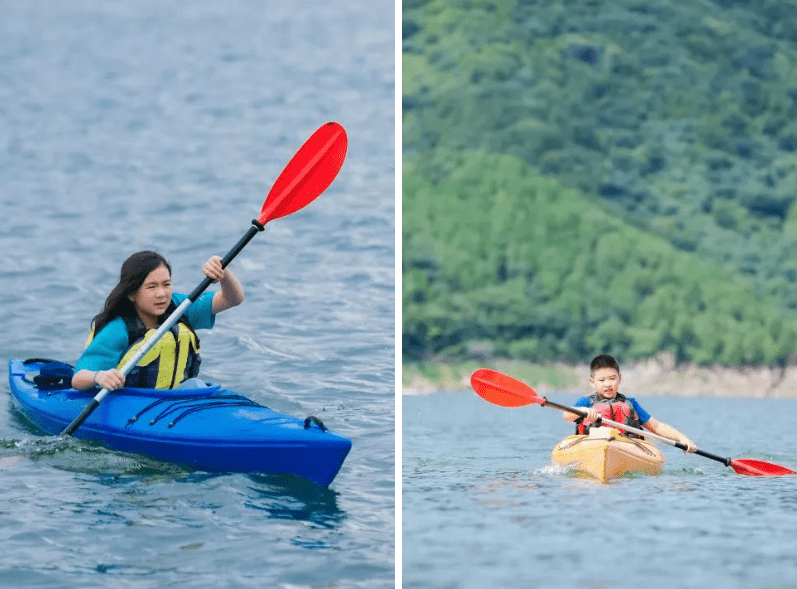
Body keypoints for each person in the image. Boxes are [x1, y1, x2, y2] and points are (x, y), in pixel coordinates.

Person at [71, 250, 244, 391]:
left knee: (196, 386)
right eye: (152, 287)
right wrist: (99, 376)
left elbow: (232, 299)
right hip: (130, 402)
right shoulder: (117, 328)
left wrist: (223, 271)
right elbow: (78, 378)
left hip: (173, 400)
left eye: (166, 284)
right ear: (132, 294)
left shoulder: (180, 308)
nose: (162, 294)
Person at [563, 354, 697, 453]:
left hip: (627, 449)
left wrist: (681, 438)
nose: (608, 384)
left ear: (619, 379)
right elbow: (566, 415)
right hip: (591, 447)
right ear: (592, 382)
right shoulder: (585, 402)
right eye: (602, 380)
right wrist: (584, 411)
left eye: (612, 378)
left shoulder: (630, 403)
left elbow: (656, 426)